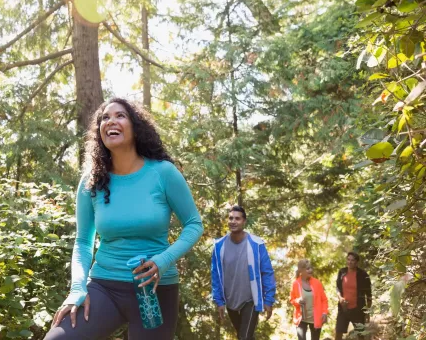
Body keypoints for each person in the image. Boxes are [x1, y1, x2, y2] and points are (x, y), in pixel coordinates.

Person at [44, 98, 204, 340]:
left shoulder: (163, 173)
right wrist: (78, 288)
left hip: (155, 290)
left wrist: (163, 260)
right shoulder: (92, 181)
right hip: (105, 286)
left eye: (120, 115)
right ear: (99, 133)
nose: (111, 121)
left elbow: (194, 224)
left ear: (135, 126)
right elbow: (83, 243)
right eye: (104, 118)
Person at [211, 205, 276, 340]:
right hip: (230, 300)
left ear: (244, 221)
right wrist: (219, 301)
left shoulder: (256, 244)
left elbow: (267, 272)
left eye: (237, 219)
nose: (233, 221)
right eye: (230, 218)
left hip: (250, 299)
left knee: (244, 337)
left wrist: (268, 299)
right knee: (245, 336)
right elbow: (216, 275)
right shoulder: (219, 246)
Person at [335, 252, 372, 340]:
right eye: (348, 259)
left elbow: (369, 295)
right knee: (338, 332)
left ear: (357, 262)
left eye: (352, 260)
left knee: (360, 335)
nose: (350, 262)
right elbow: (337, 288)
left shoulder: (363, 275)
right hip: (343, 309)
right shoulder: (342, 272)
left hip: (358, 310)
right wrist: (340, 298)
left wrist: (367, 312)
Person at [289, 259, 328, 340]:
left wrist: (324, 312)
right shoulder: (296, 284)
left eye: (311, 268)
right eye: (307, 268)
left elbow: (324, 300)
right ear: (301, 270)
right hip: (301, 319)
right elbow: (292, 299)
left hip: (316, 318)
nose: (310, 270)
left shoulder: (317, 283)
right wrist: (297, 301)